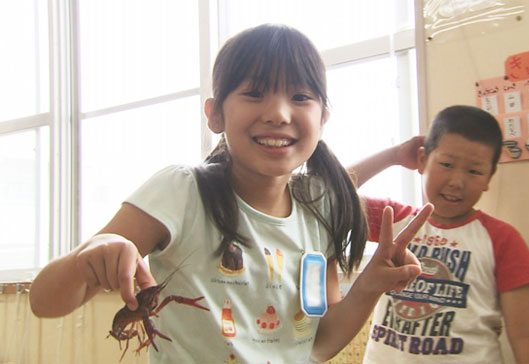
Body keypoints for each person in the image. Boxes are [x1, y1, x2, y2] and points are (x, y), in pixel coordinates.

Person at [29, 24, 433, 363]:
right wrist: (92, 256)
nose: (278, 113)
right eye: (255, 93)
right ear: (216, 114)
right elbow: (44, 302)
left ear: (323, 118)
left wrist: (369, 286)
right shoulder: (181, 191)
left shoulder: (320, 210)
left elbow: (318, 342)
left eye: (300, 97)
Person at [352, 105, 529, 363]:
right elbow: (320, 193)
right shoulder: (394, 220)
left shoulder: (503, 239)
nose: (457, 181)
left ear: (489, 177)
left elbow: (526, 335)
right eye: (446, 164)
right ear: (422, 160)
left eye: (474, 171)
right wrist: (393, 156)